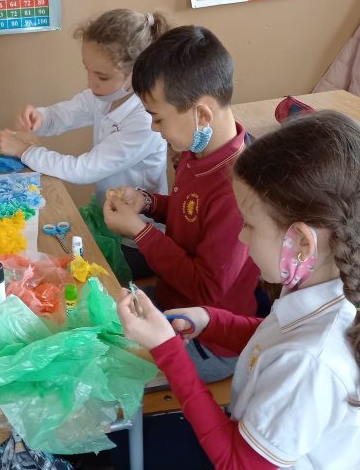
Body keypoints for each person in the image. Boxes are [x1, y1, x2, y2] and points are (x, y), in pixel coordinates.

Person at [117, 110, 360, 468]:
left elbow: (235, 463)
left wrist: (168, 352)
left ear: (301, 242)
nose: (241, 237)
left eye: (249, 225)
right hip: (255, 432)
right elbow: (277, 337)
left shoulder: (309, 363)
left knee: (124, 445)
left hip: (243, 456)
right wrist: (213, 321)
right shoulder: (337, 278)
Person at [104, 25, 260, 382]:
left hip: (208, 340)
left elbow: (207, 288)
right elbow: (189, 211)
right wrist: (147, 203)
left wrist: (140, 232)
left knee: (107, 369)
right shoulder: (196, 149)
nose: (154, 128)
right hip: (170, 301)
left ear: (201, 115)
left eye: (158, 118)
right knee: (95, 316)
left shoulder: (238, 188)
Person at [0, 9, 169, 281]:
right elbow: (67, 113)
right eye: (87, 69)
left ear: (137, 73)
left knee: (59, 270)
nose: (91, 82)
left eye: (102, 76)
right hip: (109, 221)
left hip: (138, 243)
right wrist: (42, 117)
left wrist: (23, 150)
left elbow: (83, 169)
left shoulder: (144, 120)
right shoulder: (104, 95)